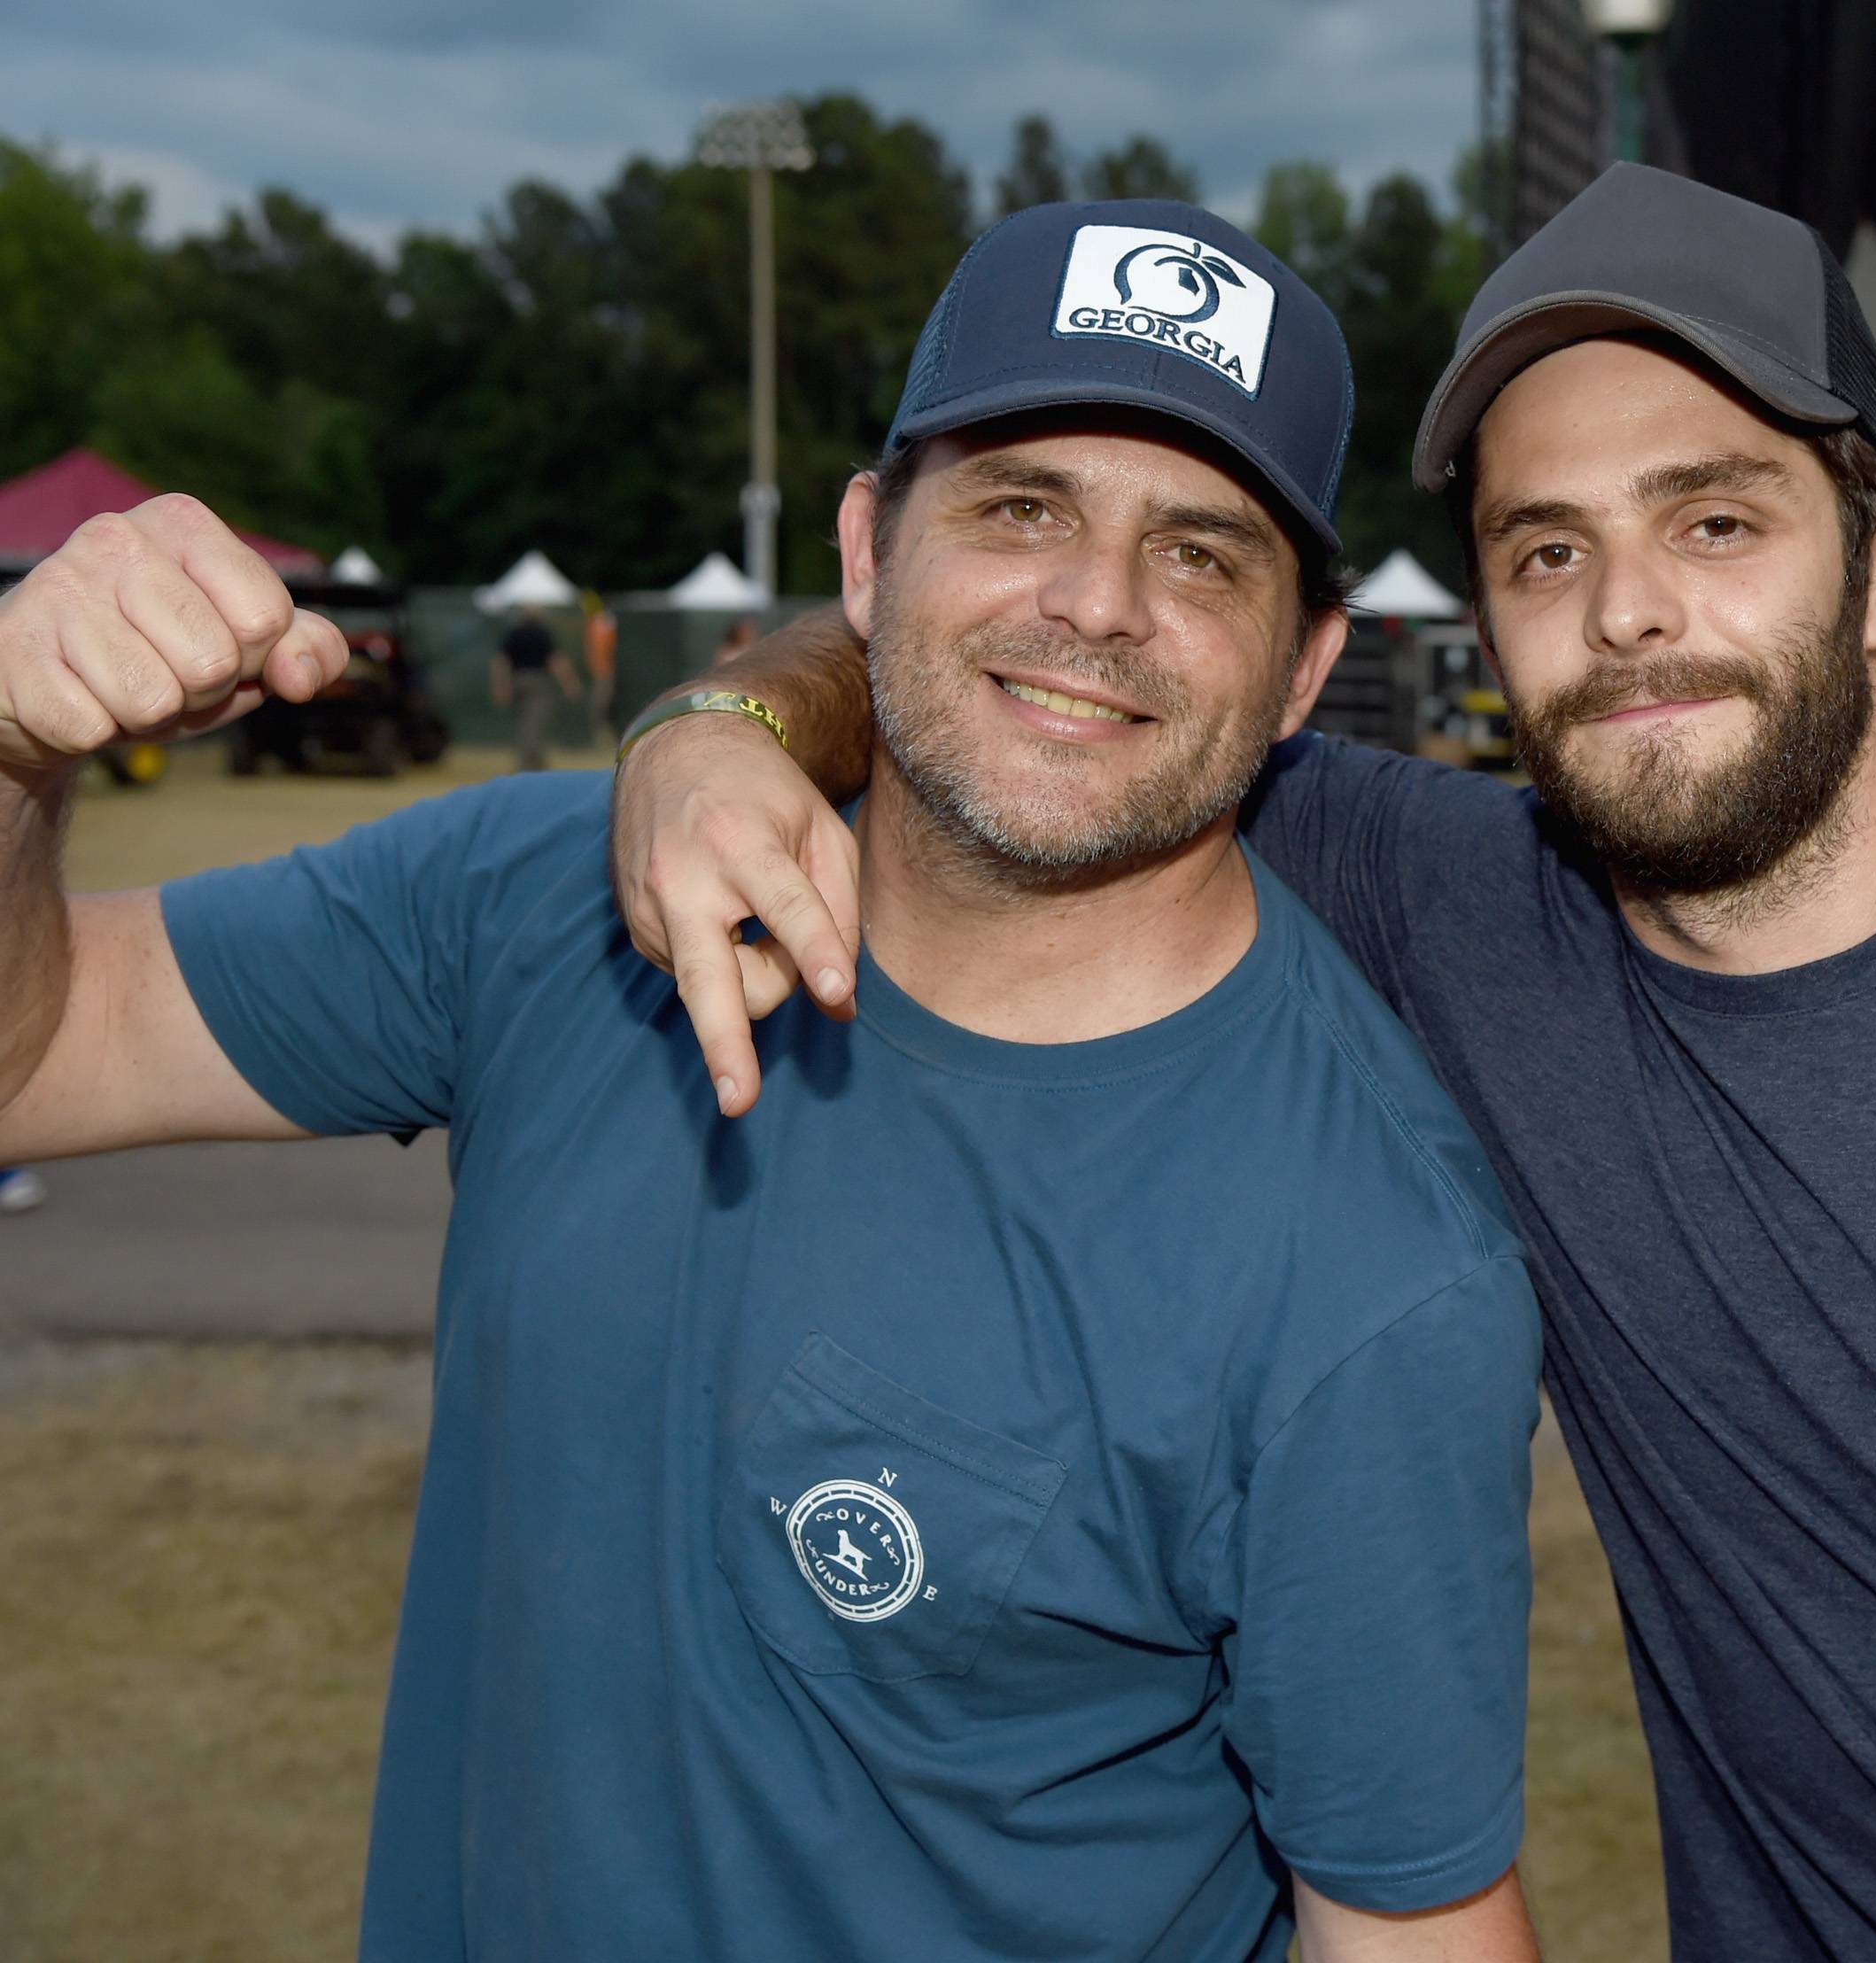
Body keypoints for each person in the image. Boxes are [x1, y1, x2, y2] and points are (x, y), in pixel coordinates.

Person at [617, 166, 1876, 1960]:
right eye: (1545, 550)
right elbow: (1044, 670)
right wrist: (716, 722)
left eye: (1712, 517)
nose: (1627, 615)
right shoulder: (1440, 899)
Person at [0, 200, 1546, 1962]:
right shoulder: (547, 901)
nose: (1097, 605)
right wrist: (11, 752)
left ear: (1305, 673)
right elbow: (33, 1050)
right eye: (1022, 504)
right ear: (869, 551)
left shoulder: (1370, 1267)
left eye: (1202, 556)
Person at [487, 602, 579, 770]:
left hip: (518, 681)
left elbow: (500, 662)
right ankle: (531, 764)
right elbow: (556, 661)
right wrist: (569, 684)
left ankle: (528, 761)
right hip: (538, 682)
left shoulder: (514, 633)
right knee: (535, 722)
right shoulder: (543, 634)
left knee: (526, 722)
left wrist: (502, 687)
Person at [581, 593, 619, 747]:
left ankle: (603, 736)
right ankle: (600, 736)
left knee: (603, 704)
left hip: (604, 672)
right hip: (602, 672)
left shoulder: (601, 622)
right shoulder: (597, 622)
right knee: (600, 704)